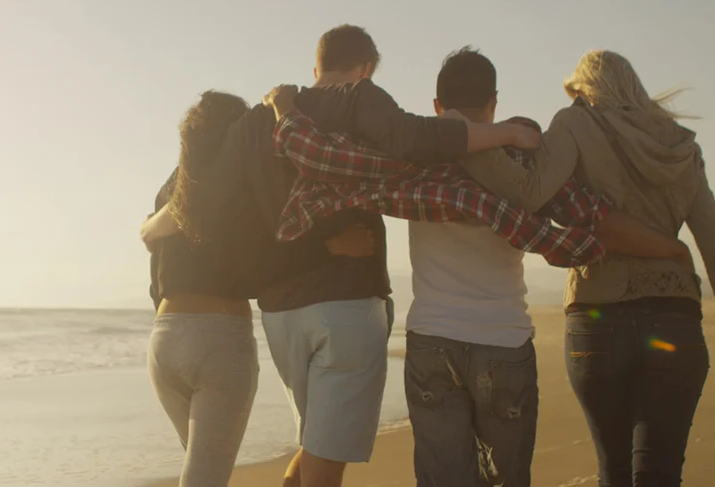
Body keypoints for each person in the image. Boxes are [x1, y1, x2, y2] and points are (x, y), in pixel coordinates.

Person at [259, 49, 694, 487]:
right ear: (495, 101)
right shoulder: (525, 158)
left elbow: (325, 157)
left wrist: (287, 108)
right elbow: (597, 220)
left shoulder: (416, 157)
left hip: (432, 343)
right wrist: (669, 249)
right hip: (503, 342)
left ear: (435, 106)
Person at [180, 25, 542, 487]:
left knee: (315, 449)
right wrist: (507, 131)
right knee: (324, 466)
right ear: (366, 68)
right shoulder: (359, 98)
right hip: (345, 306)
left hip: (278, 315)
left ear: (316, 68)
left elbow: (223, 215)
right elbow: (415, 139)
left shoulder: (255, 120)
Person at [458, 50, 713, 487]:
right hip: (675, 321)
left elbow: (533, 191)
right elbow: (710, 239)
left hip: (599, 320)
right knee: (661, 474)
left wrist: (463, 141)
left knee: (613, 470)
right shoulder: (680, 144)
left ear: (583, 88)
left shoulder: (576, 122)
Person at [141, 91, 376, 487]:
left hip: (163, 342)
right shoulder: (240, 187)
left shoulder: (173, 190)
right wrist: (330, 247)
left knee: (198, 472)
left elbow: (156, 276)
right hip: (218, 341)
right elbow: (263, 265)